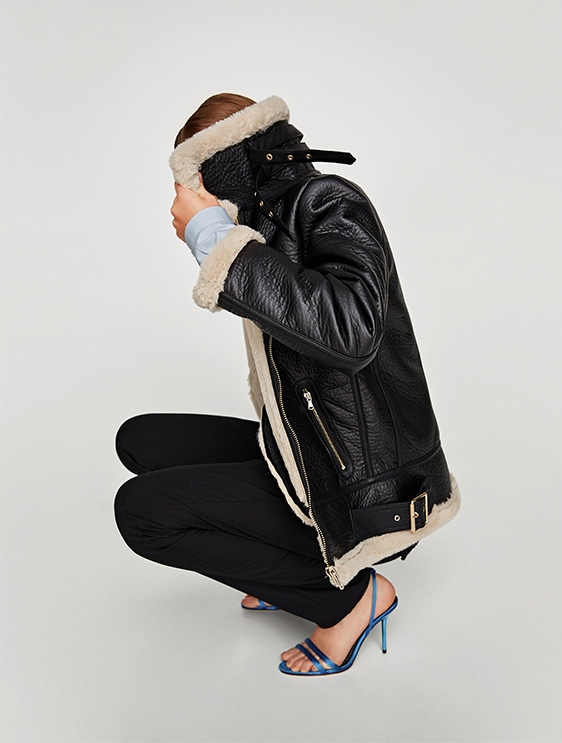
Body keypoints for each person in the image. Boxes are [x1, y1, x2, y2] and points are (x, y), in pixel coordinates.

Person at [114, 93, 461, 676]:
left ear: (219, 164)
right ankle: (280, 563)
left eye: (195, 178)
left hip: (370, 487)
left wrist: (211, 238)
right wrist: (226, 237)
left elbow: (350, 333)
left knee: (142, 512)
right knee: (140, 441)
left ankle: (349, 601)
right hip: (315, 449)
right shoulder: (267, 218)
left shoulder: (330, 200)